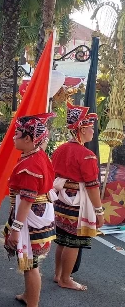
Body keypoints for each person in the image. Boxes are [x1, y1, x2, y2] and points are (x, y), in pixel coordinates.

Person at [4, 113, 56, 307]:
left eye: (17, 134)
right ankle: (28, 296)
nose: (13, 138)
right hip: (37, 214)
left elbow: (26, 200)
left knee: (30, 263)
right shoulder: (36, 155)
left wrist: (16, 229)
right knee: (28, 261)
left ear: (28, 138)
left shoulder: (31, 164)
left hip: (30, 217)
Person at [52, 102, 104, 291]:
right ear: (81, 129)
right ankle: (65, 278)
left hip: (60, 201)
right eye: (90, 128)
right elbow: (92, 186)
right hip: (77, 203)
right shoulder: (87, 155)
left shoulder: (59, 150)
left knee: (62, 239)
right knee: (73, 241)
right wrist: (99, 211)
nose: (92, 132)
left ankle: (58, 274)